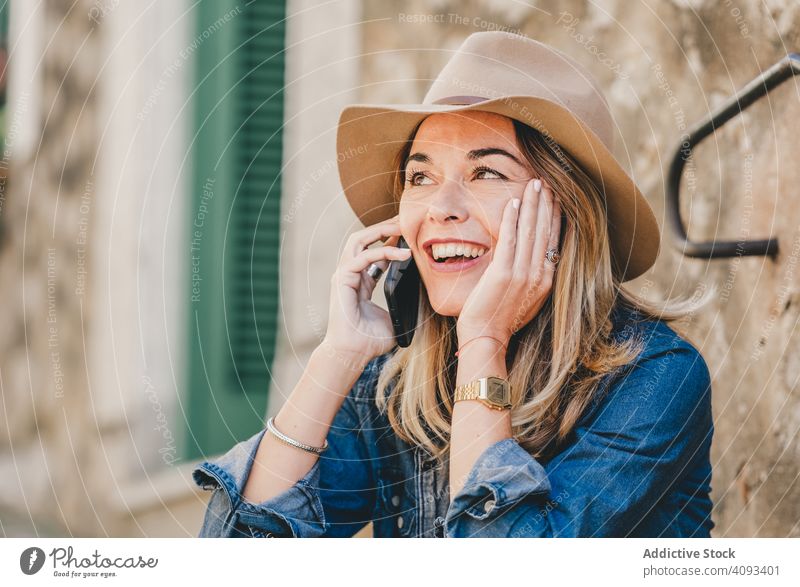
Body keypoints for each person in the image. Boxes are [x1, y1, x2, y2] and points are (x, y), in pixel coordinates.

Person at [192, 31, 715, 538]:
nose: (440, 209)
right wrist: (337, 356)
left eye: (486, 173)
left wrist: (484, 340)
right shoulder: (392, 388)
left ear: (564, 212)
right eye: (420, 178)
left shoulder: (656, 379)